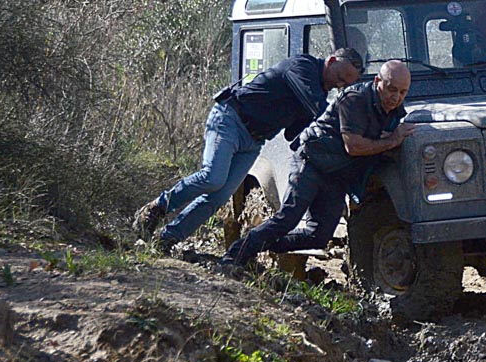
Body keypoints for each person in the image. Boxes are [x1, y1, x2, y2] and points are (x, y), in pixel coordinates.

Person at [133, 48, 364, 251]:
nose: (339, 85)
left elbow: (294, 134)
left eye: (345, 84)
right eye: (340, 77)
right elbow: (317, 109)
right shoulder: (302, 66)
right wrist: (348, 126)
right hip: (230, 119)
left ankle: (166, 240)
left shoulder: (319, 93)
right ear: (332, 61)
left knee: (219, 196)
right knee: (213, 178)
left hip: (254, 141)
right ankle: (156, 208)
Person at [220, 60, 416, 268]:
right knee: (288, 219)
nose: (396, 97)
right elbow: (354, 146)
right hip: (311, 161)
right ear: (377, 81)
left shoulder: (394, 111)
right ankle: (234, 257)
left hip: (336, 174)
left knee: (318, 237)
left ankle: (254, 246)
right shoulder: (354, 99)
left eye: (403, 92)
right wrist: (392, 140)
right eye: (391, 89)